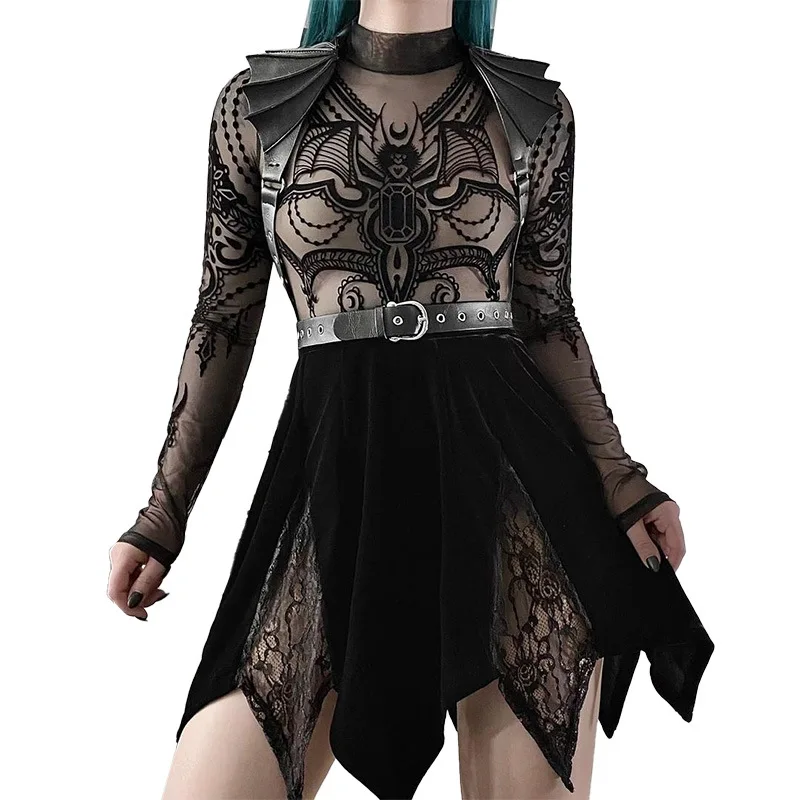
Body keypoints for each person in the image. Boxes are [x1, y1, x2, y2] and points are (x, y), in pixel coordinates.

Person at [106, 1, 715, 798]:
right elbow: (223, 315)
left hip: (511, 493)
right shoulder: (257, 107)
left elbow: (547, 315)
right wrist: (162, 514)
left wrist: (624, 482)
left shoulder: (533, 112)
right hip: (330, 485)